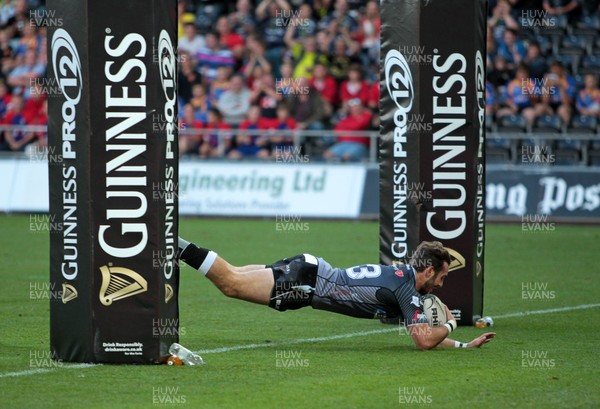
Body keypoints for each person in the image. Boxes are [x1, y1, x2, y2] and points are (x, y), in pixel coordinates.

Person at [177, 238, 496, 350]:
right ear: (427, 271)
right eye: (440, 276)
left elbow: (424, 331)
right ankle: (175, 244)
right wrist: (452, 323)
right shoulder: (406, 290)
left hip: (310, 268)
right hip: (306, 284)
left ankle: (177, 245)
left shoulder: (401, 279)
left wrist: (465, 345)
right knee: (230, 283)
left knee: (232, 274)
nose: (441, 284)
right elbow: (424, 341)